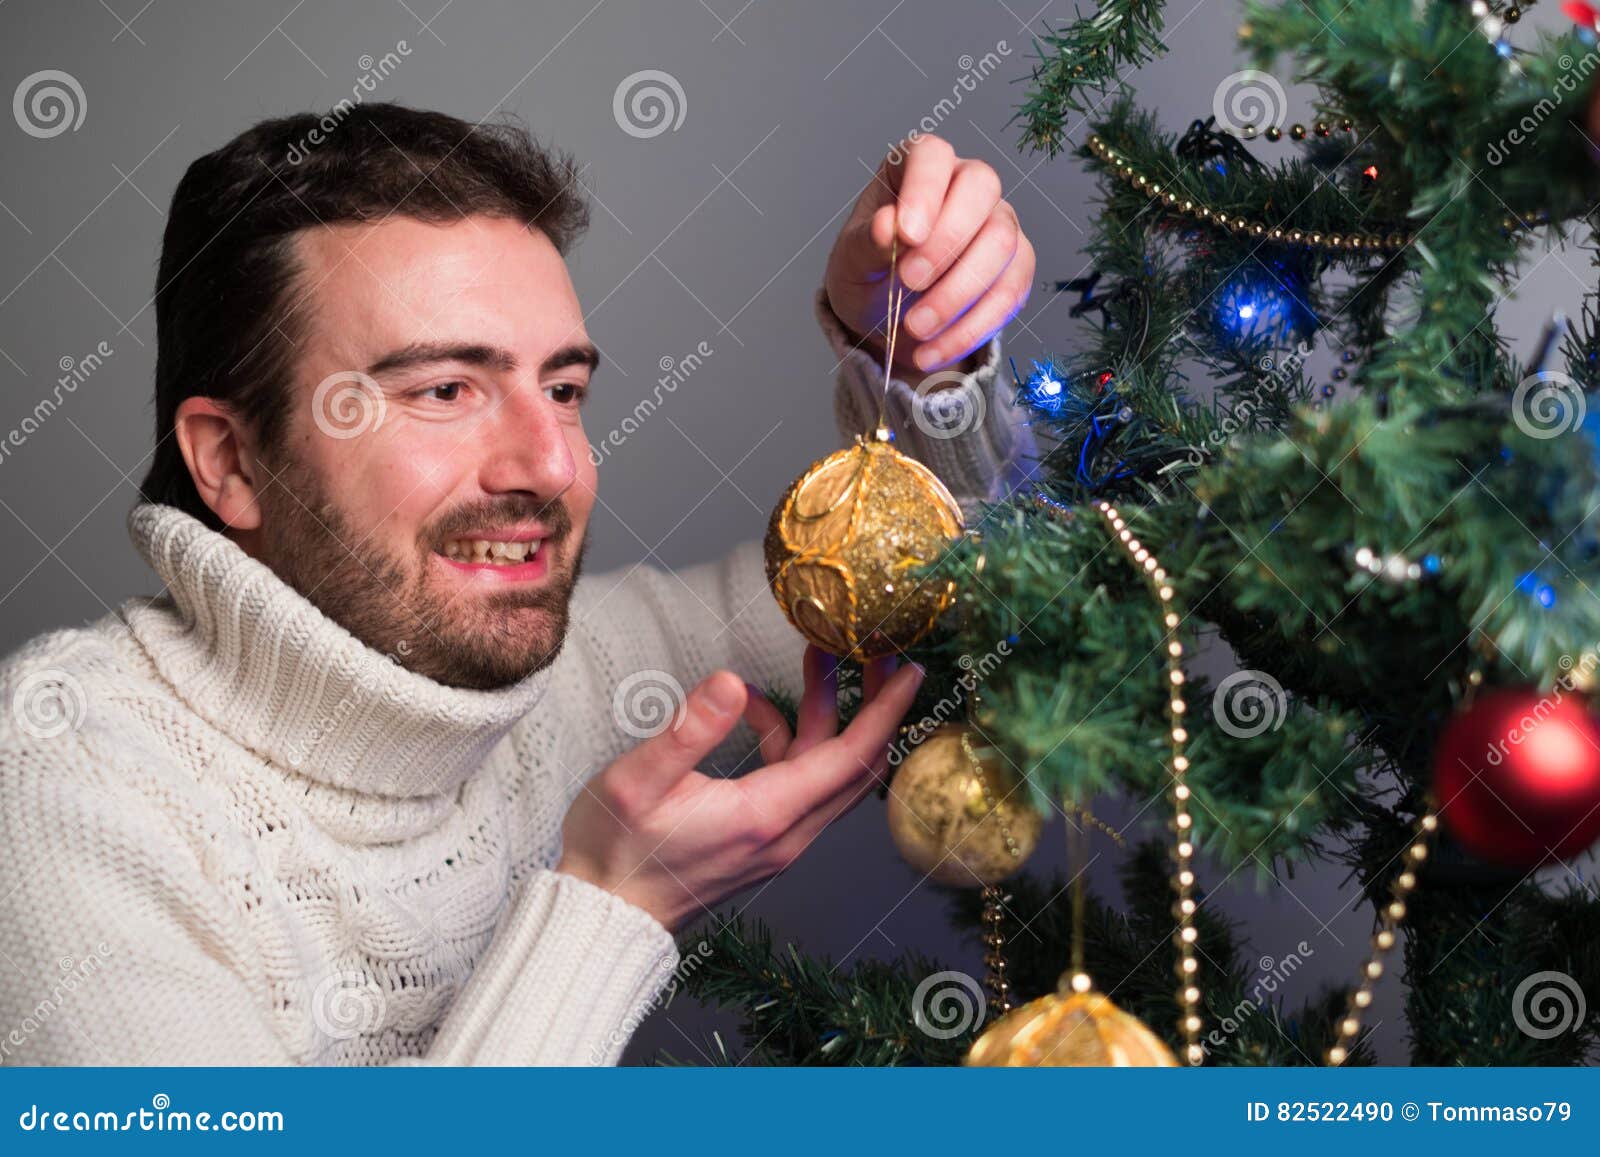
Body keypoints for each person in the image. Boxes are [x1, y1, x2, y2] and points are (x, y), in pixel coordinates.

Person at [0, 104, 1036, 1065]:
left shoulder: (580, 673)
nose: (549, 463)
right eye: (445, 389)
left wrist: (916, 351)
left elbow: (955, 574)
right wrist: (613, 903)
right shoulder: (62, 780)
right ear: (229, 460)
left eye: (564, 388)